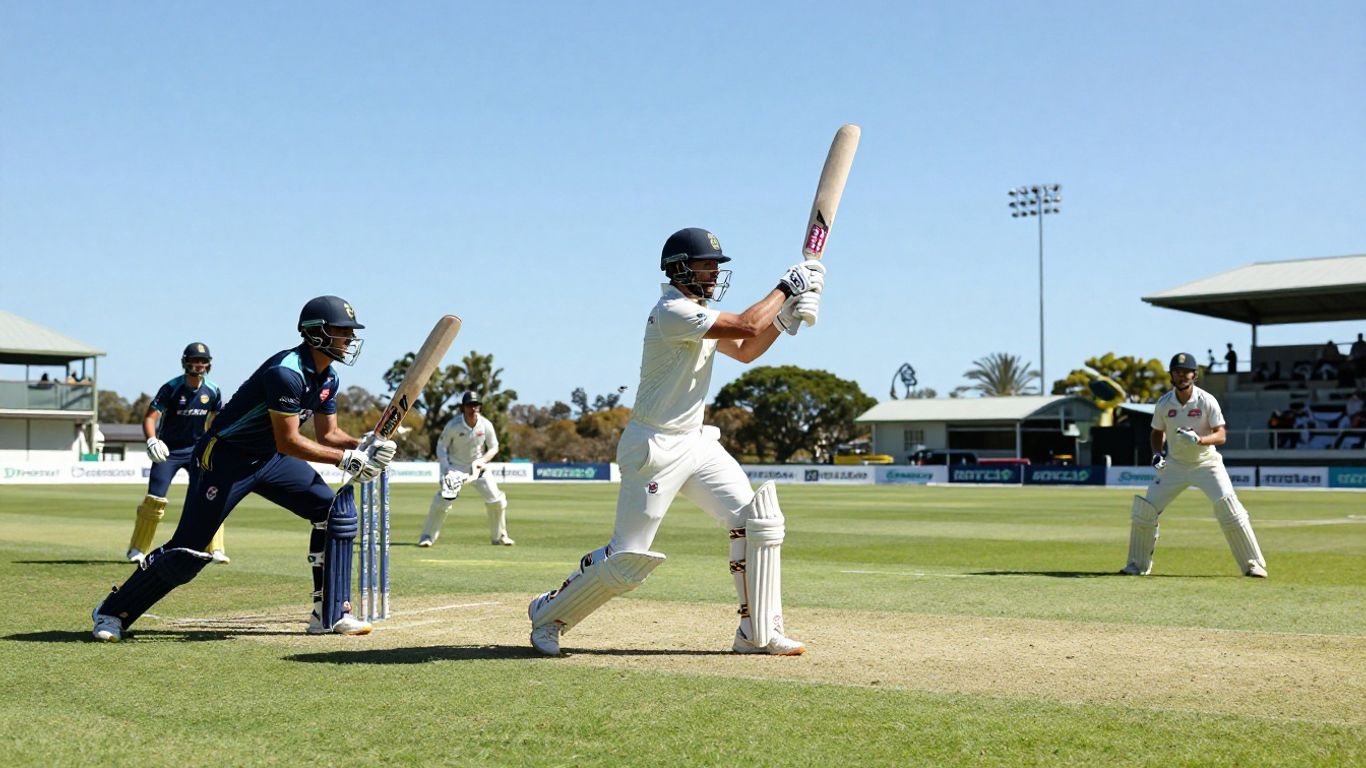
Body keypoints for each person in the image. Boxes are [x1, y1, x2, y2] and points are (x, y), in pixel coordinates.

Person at [526, 227, 824, 656]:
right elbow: (744, 323)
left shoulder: (698, 312)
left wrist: (784, 317)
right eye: (705, 266)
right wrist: (787, 287)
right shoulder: (672, 312)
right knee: (628, 561)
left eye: (715, 267)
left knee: (756, 521)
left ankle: (759, 632)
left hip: (697, 443)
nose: (712, 274)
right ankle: (548, 615)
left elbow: (744, 348)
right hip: (654, 448)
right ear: (679, 268)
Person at [92, 296, 397, 641]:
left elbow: (329, 434)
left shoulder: (328, 378)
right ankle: (111, 612)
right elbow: (290, 441)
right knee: (188, 551)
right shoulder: (287, 372)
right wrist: (344, 459)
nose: (349, 338)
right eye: (341, 330)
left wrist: (364, 444)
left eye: (349, 332)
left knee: (333, 513)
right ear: (315, 333)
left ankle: (329, 612)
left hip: (268, 458)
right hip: (225, 458)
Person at [1121, 352, 1267, 578]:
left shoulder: (1206, 400)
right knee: (1145, 511)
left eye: (1185, 372)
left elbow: (1221, 435)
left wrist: (1199, 440)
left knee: (1231, 509)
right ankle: (1136, 565)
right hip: (1175, 466)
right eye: (1176, 372)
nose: (1180, 376)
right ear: (1171, 375)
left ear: (1194, 375)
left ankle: (1253, 564)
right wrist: (1157, 454)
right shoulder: (1163, 403)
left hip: (1207, 464)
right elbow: (1157, 432)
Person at [126, 343, 228, 565]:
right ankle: (137, 548)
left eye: (203, 361)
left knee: (211, 495)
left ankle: (216, 549)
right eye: (194, 360)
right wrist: (152, 440)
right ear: (185, 362)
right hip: (169, 451)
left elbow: (218, 419)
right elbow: (150, 417)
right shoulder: (171, 387)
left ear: (209, 364)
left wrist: (216, 441)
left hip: (198, 450)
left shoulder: (213, 389)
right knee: (155, 499)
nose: (199, 365)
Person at [419, 391, 514, 547]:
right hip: (456, 468)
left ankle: (500, 536)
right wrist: (446, 469)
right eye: (470, 405)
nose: (473, 409)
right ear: (462, 407)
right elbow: (441, 446)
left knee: (497, 501)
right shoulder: (453, 425)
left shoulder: (485, 424)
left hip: (479, 468)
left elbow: (494, 446)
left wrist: (482, 461)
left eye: (476, 405)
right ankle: (427, 537)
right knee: (442, 501)